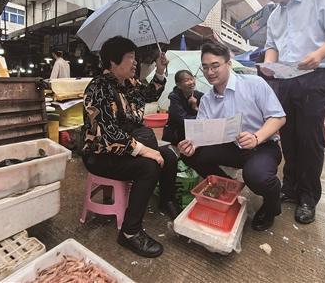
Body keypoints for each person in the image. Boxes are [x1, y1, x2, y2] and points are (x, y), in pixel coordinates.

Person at [253, 0, 325, 224]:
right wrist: (270, 65)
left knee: (309, 137)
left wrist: (319, 54)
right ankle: (290, 186)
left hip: (315, 75)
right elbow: (272, 45)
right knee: (288, 134)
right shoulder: (275, 15)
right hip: (286, 79)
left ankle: (308, 197)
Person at [81, 36, 179, 258]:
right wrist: (145, 150)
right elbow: (109, 134)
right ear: (113, 62)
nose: (135, 63)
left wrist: (161, 70)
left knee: (170, 156)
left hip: (129, 145)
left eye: (135, 58)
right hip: (100, 153)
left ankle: (166, 201)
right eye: (130, 58)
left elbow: (151, 93)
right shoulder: (98, 89)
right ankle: (129, 232)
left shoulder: (130, 83)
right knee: (149, 166)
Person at [178, 41, 286, 231]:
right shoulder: (206, 100)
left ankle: (272, 204)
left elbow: (278, 117)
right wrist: (191, 145)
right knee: (190, 155)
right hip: (231, 147)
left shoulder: (255, 84)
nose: (210, 72)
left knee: (256, 176)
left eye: (215, 66)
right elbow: (201, 135)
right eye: (205, 67)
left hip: (262, 146)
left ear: (228, 63)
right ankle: (229, 188)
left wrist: (256, 137)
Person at [162, 70, 204, 145]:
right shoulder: (174, 97)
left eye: (191, 79)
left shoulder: (199, 95)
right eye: (186, 80)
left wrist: (195, 107)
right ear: (179, 85)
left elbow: (206, 114)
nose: (191, 82)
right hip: (176, 135)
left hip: (193, 132)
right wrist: (201, 119)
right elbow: (182, 119)